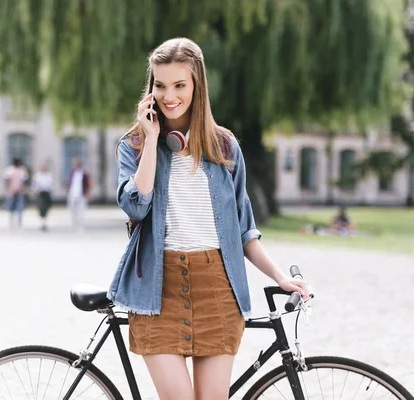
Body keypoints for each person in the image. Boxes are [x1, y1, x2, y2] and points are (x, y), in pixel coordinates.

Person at [107, 38, 310, 400]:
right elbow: (136, 206)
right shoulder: (134, 146)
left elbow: (245, 231)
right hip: (157, 294)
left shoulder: (225, 148)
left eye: (180, 85)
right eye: (160, 85)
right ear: (150, 88)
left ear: (197, 84)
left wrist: (281, 277)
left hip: (217, 291)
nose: (169, 96)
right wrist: (152, 140)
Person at [66, 158, 92, 232]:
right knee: (72, 210)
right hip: (72, 194)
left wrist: (88, 193)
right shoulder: (72, 173)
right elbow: (69, 183)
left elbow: (89, 183)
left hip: (81, 194)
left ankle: (81, 225)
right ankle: (74, 225)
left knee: (81, 211)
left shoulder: (84, 173)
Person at [3, 158, 29, 230]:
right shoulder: (10, 170)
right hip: (12, 191)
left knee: (20, 207)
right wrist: (9, 189)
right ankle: (12, 223)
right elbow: (7, 180)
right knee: (11, 207)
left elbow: (24, 180)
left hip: (20, 191)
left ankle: (19, 223)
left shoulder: (22, 170)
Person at [31, 163, 54, 232]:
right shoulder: (37, 176)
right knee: (41, 207)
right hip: (40, 193)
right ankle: (42, 223)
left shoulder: (49, 176)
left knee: (46, 208)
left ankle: (45, 222)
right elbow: (34, 184)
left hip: (46, 193)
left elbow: (51, 185)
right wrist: (35, 190)